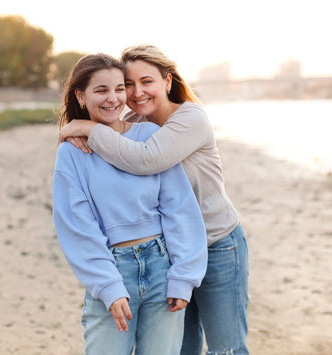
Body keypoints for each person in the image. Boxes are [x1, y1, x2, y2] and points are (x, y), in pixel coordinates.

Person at [60, 45, 250, 355]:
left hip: (216, 244)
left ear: (168, 81)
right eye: (129, 84)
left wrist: (88, 126)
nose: (136, 92)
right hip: (172, 252)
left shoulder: (190, 118)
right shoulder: (135, 125)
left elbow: (146, 159)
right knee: (182, 348)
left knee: (225, 349)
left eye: (146, 81)